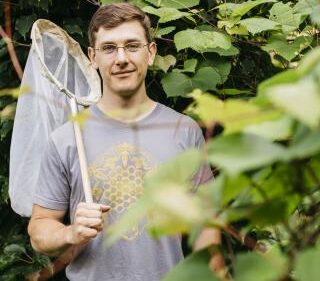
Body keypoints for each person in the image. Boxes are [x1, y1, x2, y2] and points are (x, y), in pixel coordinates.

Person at [28, 3, 212, 281]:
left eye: (132, 45)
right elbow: (39, 230)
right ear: (93, 57)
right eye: (109, 48)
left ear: (150, 53)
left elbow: (207, 222)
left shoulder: (183, 130)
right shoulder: (66, 138)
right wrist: (71, 232)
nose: (121, 58)